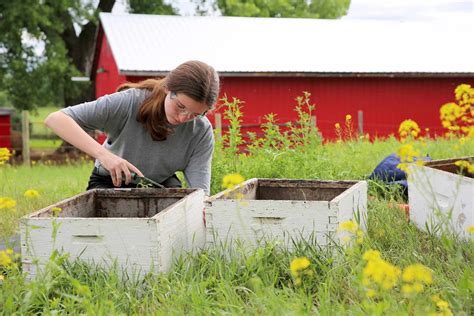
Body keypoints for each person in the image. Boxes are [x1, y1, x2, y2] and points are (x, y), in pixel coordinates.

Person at [45, 60, 219, 194]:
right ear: (168, 88)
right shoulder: (129, 102)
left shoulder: (201, 131)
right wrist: (104, 155)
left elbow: (200, 193)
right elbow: (56, 119)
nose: (183, 118)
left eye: (195, 114)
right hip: (111, 183)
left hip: (159, 186)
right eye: (180, 106)